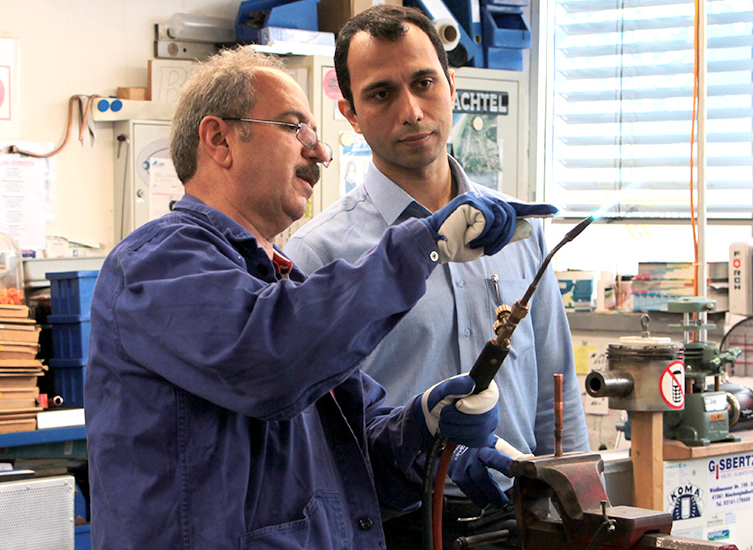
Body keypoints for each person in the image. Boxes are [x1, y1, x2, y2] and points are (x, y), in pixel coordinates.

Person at [84, 45, 553, 550]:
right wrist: (421, 245)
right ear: (220, 139)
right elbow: (269, 358)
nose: (321, 152)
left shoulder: (276, 283)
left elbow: (352, 452)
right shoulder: (157, 263)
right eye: (294, 128)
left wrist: (425, 427)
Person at [284, 5, 591, 546]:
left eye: (424, 83)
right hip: (395, 526)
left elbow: (555, 393)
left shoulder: (519, 232)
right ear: (350, 114)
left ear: (452, 87)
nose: (411, 110)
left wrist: (581, 508)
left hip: (520, 518)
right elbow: (311, 434)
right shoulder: (322, 252)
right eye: (381, 94)